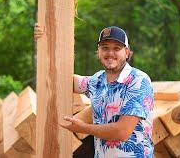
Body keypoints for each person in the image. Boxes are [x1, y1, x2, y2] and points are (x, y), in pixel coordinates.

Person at [34, 24, 154, 158]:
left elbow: (122, 132)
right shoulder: (97, 81)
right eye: (105, 48)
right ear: (98, 51)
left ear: (127, 52)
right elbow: (59, 79)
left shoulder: (138, 80)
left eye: (117, 48)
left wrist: (84, 128)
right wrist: (45, 42)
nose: (110, 53)